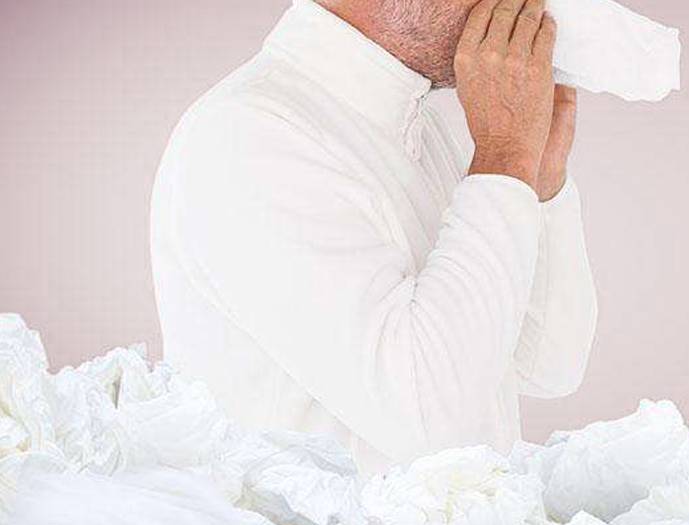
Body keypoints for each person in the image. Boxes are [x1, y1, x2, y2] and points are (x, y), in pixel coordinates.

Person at [151, 0, 598, 477]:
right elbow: (428, 418)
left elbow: (546, 366)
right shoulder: (248, 135)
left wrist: (535, 175)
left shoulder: (413, 125)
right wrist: (504, 157)